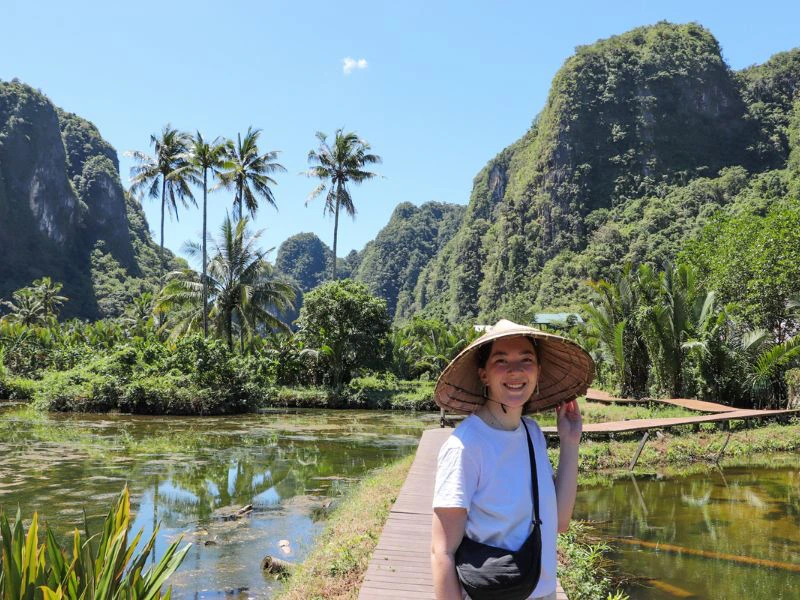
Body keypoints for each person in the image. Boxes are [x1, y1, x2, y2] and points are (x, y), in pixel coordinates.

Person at [430, 319, 594, 600]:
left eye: (526, 359)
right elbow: (441, 551)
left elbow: (559, 521)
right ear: (484, 375)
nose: (515, 370)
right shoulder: (466, 446)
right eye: (501, 360)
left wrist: (570, 442)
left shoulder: (532, 434)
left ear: (538, 371)